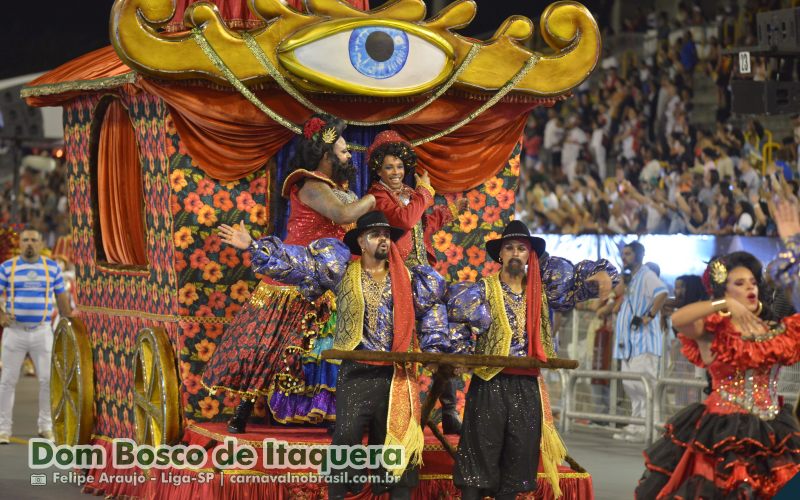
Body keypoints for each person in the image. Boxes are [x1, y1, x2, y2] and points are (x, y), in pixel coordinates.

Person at [219, 211, 449, 500]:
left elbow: (433, 309)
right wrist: (253, 245)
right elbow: (296, 262)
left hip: (395, 375)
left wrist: (435, 348)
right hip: (356, 371)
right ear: (362, 242)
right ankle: (338, 494)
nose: (383, 240)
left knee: (397, 443)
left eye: (387, 235)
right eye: (376, 235)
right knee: (346, 438)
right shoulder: (341, 271)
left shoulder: (408, 279)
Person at [201, 114, 376, 432]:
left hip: (332, 278)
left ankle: (328, 411)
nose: (349, 155)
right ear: (325, 156)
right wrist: (376, 197)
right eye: (342, 150)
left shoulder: (337, 187)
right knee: (272, 345)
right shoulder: (311, 186)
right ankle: (244, 407)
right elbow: (344, 214)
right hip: (297, 275)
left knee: (328, 346)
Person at [448, 220, 617, 500]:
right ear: (500, 255)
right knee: (478, 464)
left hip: (527, 387)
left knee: (518, 462)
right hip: (490, 383)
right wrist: (459, 356)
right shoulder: (483, 289)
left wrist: (602, 276)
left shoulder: (543, 291)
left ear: (530, 256)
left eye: (521, 249)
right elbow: (458, 324)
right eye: (510, 248)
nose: (515, 253)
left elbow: (584, 280)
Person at [636, 252, 800, 498]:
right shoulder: (713, 330)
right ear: (725, 291)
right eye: (739, 283)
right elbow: (679, 319)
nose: (749, 288)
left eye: (753, 282)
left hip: (773, 429)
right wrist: (722, 304)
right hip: (723, 428)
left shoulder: (773, 330)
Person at [366, 130, 467, 434]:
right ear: (378, 170)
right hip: (396, 277)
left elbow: (421, 225)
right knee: (399, 342)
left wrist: (445, 213)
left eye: (399, 166)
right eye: (389, 168)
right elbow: (405, 220)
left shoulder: (411, 192)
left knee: (440, 335)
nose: (396, 173)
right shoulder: (378, 194)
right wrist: (425, 193)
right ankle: (391, 414)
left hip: (423, 276)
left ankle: (448, 410)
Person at [0, 227, 72, 444]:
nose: (29, 243)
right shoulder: (7, 268)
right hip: (15, 331)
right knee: (7, 381)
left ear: (41, 244)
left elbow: (61, 297)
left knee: (47, 380)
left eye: (33, 240)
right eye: (25, 240)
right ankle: (3, 429)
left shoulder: (51, 268)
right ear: (20, 244)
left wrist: (68, 323)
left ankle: (45, 427)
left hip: (42, 331)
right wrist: (2, 315)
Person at [612, 241, 668, 442]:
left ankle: (649, 429)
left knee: (645, 387)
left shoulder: (647, 275)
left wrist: (649, 316)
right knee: (631, 386)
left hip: (644, 343)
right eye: (623, 253)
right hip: (630, 345)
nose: (624, 257)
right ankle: (636, 426)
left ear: (638, 255)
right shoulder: (632, 278)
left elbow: (662, 293)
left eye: (628, 254)